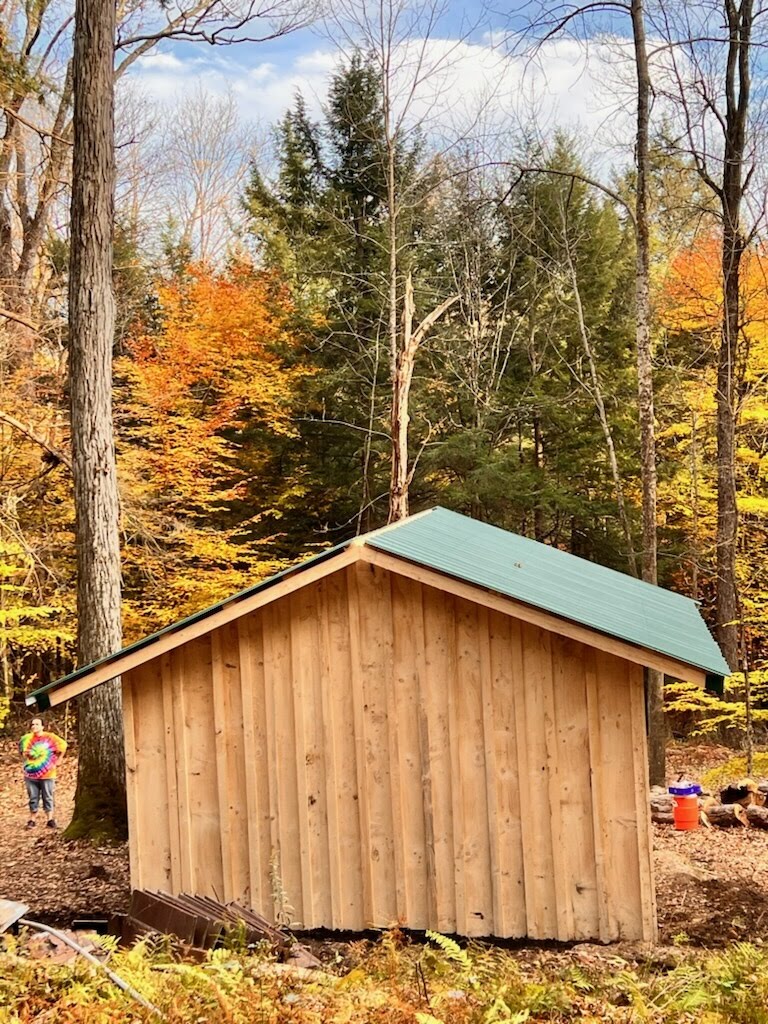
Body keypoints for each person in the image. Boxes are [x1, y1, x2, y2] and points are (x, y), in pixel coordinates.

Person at [19, 717, 67, 829]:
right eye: (32, 724)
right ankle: (32, 820)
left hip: (48, 773)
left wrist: (59, 759)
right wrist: (28, 755)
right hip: (30, 773)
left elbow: (63, 745)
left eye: (37, 724)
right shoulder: (26, 739)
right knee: (33, 797)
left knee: (48, 796)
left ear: (42, 726)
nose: (34, 726)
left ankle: (50, 819)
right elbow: (22, 752)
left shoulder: (50, 738)